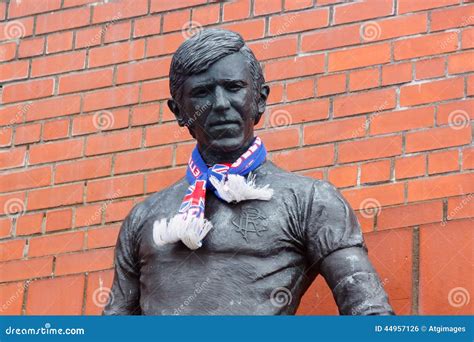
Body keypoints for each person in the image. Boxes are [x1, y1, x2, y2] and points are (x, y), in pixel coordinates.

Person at [103, 28, 394, 315]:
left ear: (260, 99)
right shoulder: (143, 219)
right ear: (179, 111)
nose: (220, 104)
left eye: (233, 87)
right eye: (202, 93)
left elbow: (370, 313)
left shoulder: (310, 200)